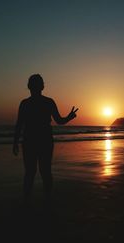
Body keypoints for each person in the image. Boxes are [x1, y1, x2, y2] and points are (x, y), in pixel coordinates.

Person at [13, 74, 78, 203]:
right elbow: (59, 121)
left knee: (31, 172)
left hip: (32, 141)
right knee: (44, 171)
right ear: (41, 86)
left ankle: (29, 200)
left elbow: (19, 124)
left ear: (29, 86)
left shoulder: (26, 103)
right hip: (43, 140)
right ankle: (46, 199)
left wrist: (15, 142)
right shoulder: (47, 102)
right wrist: (69, 117)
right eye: (40, 83)